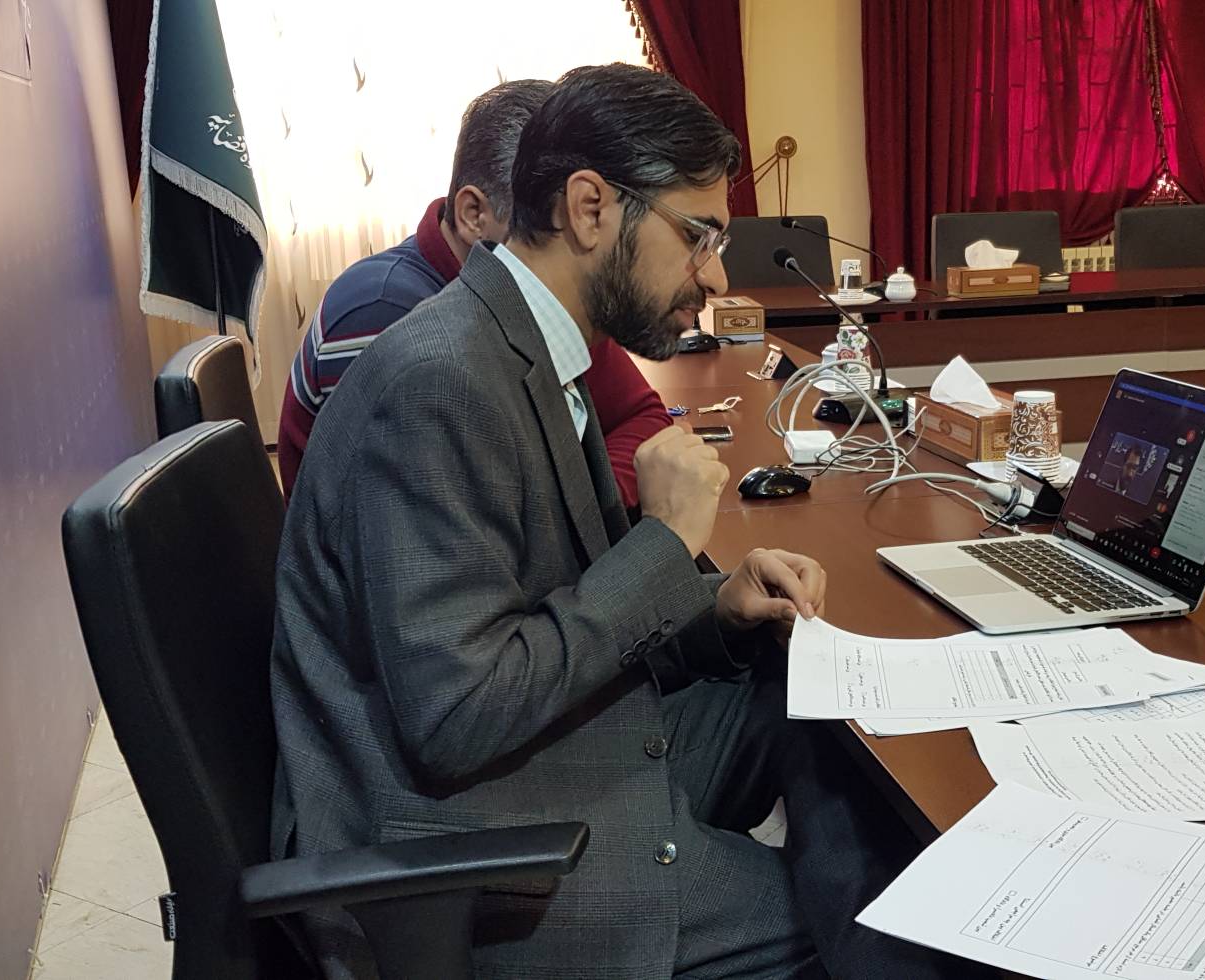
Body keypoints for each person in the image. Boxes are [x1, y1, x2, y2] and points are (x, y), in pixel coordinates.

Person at [269, 64, 976, 979]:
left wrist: (714, 610)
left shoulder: (521, 345)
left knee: (802, 698)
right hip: (473, 838)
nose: (714, 275)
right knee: (874, 931)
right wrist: (664, 543)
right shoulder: (441, 384)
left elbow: (552, 612)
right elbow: (457, 717)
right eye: (697, 236)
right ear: (590, 208)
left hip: (543, 753)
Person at [275, 78, 671, 502]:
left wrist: (588, 503)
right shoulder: (384, 315)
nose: (581, 247)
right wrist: (580, 510)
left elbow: (642, 416)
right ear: (473, 215)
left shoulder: (543, 292)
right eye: (550, 224)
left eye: (592, 217)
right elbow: (434, 519)